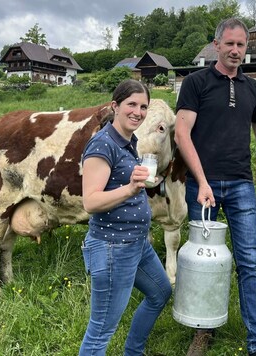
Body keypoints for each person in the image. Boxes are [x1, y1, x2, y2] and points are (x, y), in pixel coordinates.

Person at [174, 18, 256, 356]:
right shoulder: (195, 83)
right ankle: (203, 331)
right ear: (216, 45)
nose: (235, 50)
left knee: (249, 262)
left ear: (247, 48)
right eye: (229, 44)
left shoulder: (253, 89)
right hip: (202, 187)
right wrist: (201, 182)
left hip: (241, 185)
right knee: (204, 261)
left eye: (241, 45)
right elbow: (181, 134)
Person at [79, 79, 172, 356]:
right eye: (131, 104)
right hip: (112, 248)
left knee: (160, 293)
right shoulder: (102, 145)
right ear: (115, 106)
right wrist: (131, 188)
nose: (138, 111)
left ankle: (133, 352)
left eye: (143, 106)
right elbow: (91, 201)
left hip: (136, 244)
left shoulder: (129, 142)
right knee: (100, 330)